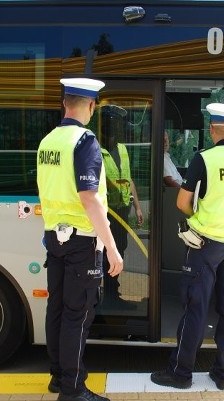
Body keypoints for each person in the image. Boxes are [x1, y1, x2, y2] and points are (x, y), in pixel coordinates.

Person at [150, 102, 224, 391]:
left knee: (196, 307)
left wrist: (195, 218)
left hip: (205, 244)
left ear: (212, 130)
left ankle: (181, 372)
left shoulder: (205, 159)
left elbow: (182, 203)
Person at [37, 77, 123, 401]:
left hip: (54, 238)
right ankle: (72, 389)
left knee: (57, 308)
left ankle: (58, 376)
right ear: (90, 106)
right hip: (81, 241)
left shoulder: (48, 142)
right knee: (78, 313)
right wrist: (112, 248)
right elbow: (90, 198)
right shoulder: (84, 141)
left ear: (64, 104)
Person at [98, 104, 143, 309]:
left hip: (122, 209)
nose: (115, 128)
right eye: (111, 123)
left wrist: (138, 206)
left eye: (117, 124)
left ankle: (112, 291)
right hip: (105, 212)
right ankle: (107, 295)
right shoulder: (95, 149)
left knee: (120, 250)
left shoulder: (123, 149)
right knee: (106, 251)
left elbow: (129, 178)